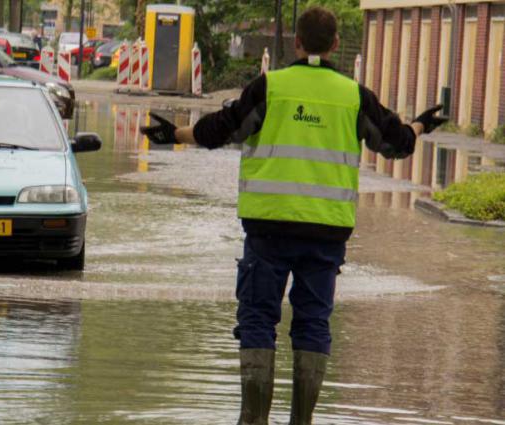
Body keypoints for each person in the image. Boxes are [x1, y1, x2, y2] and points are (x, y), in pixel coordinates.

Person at [140, 6, 447, 425]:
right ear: (336, 44)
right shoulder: (354, 95)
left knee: (257, 318)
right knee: (313, 322)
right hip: (326, 233)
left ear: (296, 43)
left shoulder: (270, 87)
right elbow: (395, 143)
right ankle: (302, 421)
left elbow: (223, 128)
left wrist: (173, 134)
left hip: (268, 230)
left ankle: (253, 420)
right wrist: (419, 127)